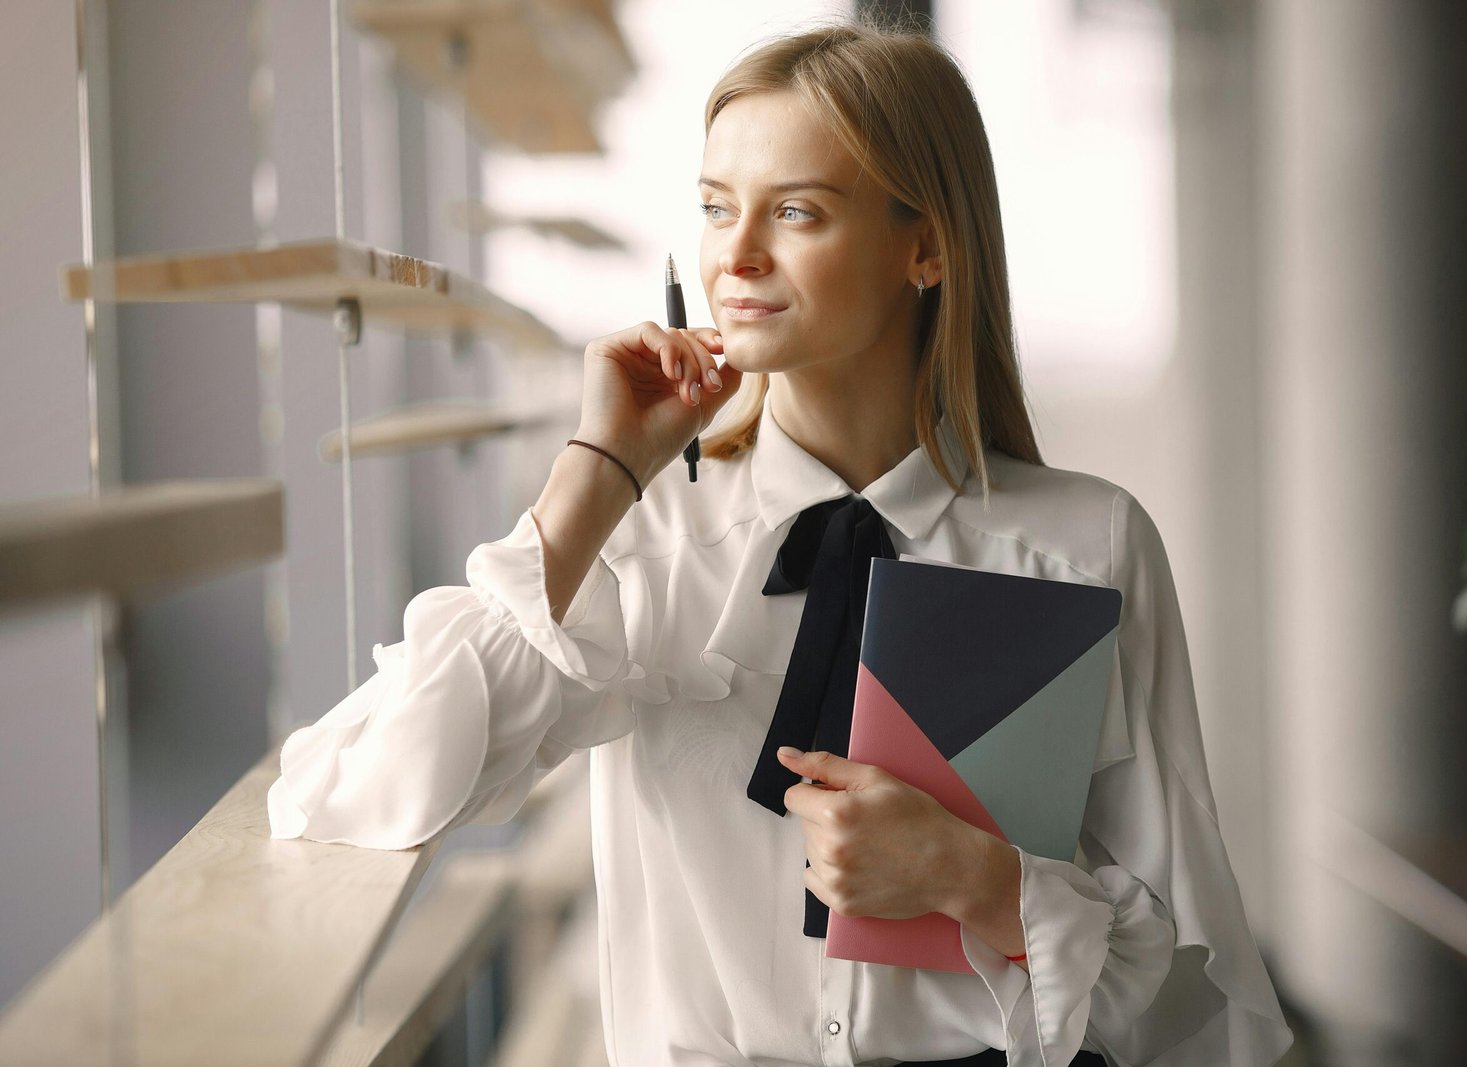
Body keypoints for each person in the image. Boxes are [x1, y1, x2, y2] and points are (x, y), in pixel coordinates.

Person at [267, 17, 1294, 1067]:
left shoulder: (1087, 543)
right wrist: (596, 473)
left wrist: (975, 877)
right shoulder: (639, 540)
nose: (736, 254)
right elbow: (351, 788)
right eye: (716, 207)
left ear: (926, 245)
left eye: (795, 210)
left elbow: (1183, 989)